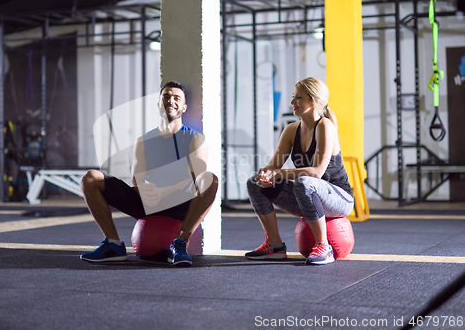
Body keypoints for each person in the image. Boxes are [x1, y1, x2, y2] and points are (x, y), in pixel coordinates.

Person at [80, 81, 218, 266]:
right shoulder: (143, 141)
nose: (171, 100)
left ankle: (180, 243)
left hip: (180, 201)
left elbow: (197, 180)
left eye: (177, 98)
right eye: (166, 96)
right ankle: (113, 245)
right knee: (91, 178)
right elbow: (136, 181)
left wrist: (164, 191)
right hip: (149, 201)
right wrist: (146, 191)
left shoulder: (195, 139)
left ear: (184, 107)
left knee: (210, 179)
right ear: (159, 104)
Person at [245, 77, 354, 265]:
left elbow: (317, 172)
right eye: (293, 97)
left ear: (313, 101)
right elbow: (274, 166)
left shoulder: (325, 127)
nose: (292, 102)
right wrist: (266, 173)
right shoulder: (291, 130)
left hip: (340, 199)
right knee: (254, 182)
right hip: (308, 195)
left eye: (298, 98)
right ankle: (275, 245)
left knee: (304, 182)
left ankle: (323, 246)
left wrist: (278, 174)